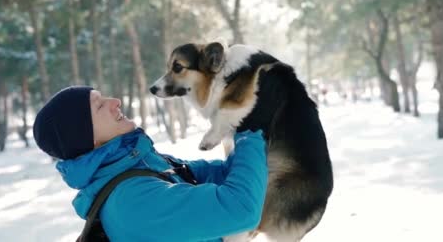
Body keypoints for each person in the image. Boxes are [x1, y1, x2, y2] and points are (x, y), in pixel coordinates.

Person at [33, 86, 268, 242]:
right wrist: (250, 130)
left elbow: (225, 174)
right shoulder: (131, 200)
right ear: (86, 136)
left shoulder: (144, 165)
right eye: (99, 105)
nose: (115, 101)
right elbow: (241, 208)